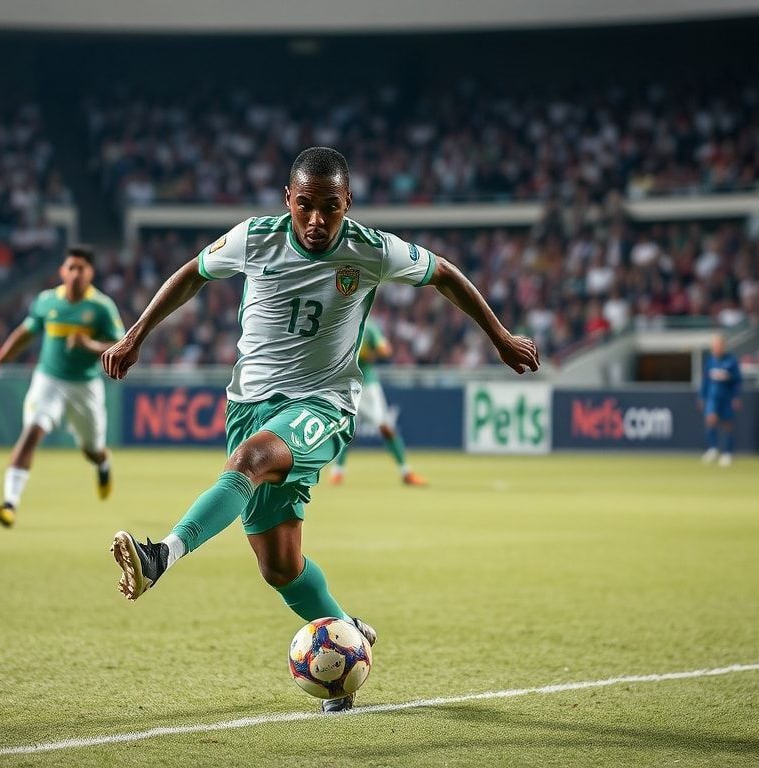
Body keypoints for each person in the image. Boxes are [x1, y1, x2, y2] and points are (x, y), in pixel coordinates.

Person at [102, 147, 539, 713]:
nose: (316, 220)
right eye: (304, 205)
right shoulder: (254, 238)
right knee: (280, 567)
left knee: (251, 461)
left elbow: (445, 275)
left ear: (347, 203)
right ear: (287, 199)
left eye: (329, 207)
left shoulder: (372, 249)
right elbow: (192, 274)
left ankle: (160, 555)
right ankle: (346, 640)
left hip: (323, 403)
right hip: (248, 406)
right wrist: (135, 334)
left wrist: (500, 337)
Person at [0, 245, 125, 527]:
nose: (75, 273)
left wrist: (89, 345)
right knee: (31, 432)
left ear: (90, 273)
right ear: (62, 271)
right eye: (71, 268)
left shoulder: (101, 307)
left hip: (85, 386)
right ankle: (10, 503)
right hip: (48, 381)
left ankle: (103, 464)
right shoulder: (47, 301)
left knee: (92, 450)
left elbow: (120, 346)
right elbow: (24, 334)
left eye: (81, 268)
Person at [329, 319, 426, 485]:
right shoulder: (342, 323)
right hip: (346, 383)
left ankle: (406, 472)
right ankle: (337, 471)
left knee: (385, 427)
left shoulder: (369, 327)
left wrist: (372, 351)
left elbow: (385, 349)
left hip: (367, 384)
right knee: (344, 427)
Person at [698, 333, 741, 467]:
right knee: (710, 420)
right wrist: (702, 396)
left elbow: (737, 381)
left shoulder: (731, 361)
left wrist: (736, 396)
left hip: (726, 397)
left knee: (727, 424)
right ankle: (713, 448)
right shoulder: (710, 362)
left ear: (723, 346)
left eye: (718, 345)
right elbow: (705, 381)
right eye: (714, 346)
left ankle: (727, 452)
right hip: (712, 397)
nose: (716, 348)